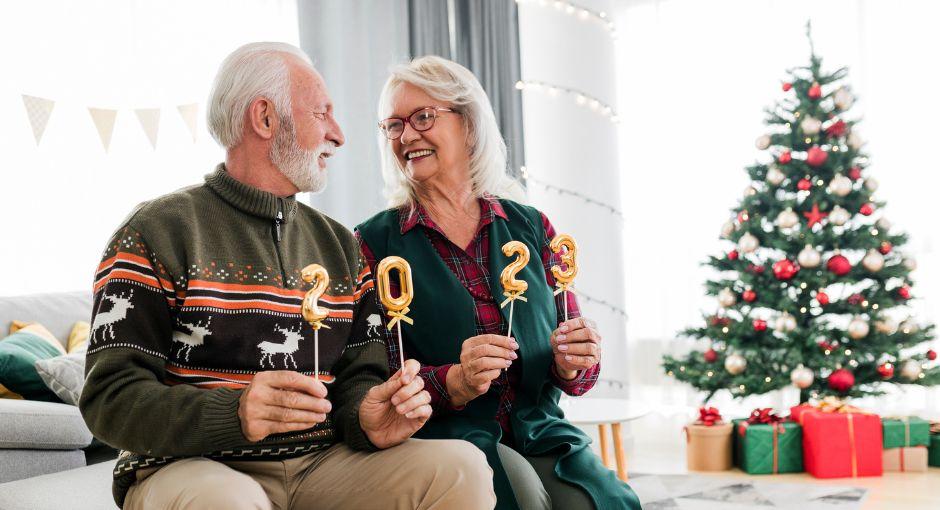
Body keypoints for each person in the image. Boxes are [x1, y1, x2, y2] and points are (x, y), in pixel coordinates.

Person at [79, 43, 495, 510]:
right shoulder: (157, 231)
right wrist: (233, 413)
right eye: (322, 113)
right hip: (188, 465)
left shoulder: (341, 246)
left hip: (319, 463)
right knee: (227, 499)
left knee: (461, 467)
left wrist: (368, 417)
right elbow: (108, 401)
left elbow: (360, 378)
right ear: (265, 119)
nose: (339, 135)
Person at [355, 55, 641, 509]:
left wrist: (573, 361)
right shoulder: (373, 243)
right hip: (445, 438)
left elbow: (574, 365)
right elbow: (371, 379)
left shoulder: (530, 227)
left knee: (603, 502)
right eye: (393, 126)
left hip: (540, 428)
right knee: (521, 501)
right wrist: (453, 381)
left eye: (423, 117)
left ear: (468, 125)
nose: (407, 136)